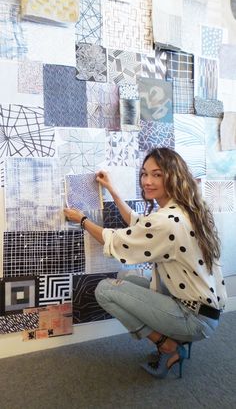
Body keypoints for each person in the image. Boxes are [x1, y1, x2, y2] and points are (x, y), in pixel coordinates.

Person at [64, 147, 227, 379]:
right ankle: (173, 339)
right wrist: (112, 190)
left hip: (193, 316)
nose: (147, 181)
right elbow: (138, 223)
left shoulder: (167, 221)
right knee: (124, 279)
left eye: (157, 175)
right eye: (144, 174)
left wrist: (81, 220)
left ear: (173, 176)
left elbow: (115, 241)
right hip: (204, 308)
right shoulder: (187, 209)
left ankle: (168, 346)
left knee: (105, 290)